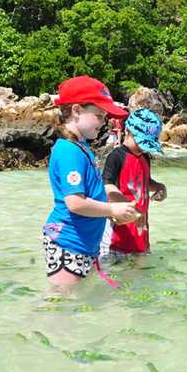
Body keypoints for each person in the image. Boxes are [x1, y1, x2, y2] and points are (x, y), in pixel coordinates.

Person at [42, 76, 138, 287]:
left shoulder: (81, 145)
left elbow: (92, 190)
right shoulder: (69, 151)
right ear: (76, 111)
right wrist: (112, 211)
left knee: (78, 303)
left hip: (83, 243)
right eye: (99, 116)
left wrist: (113, 205)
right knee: (60, 305)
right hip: (68, 243)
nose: (104, 122)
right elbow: (75, 203)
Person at [100, 108, 167, 260]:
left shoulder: (145, 157)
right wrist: (131, 208)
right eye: (140, 142)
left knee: (141, 277)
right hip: (117, 234)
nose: (143, 148)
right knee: (114, 276)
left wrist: (159, 187)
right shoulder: (116, 156)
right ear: (128, 131)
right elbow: (107, 186)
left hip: (140, 232)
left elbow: (145, 181)